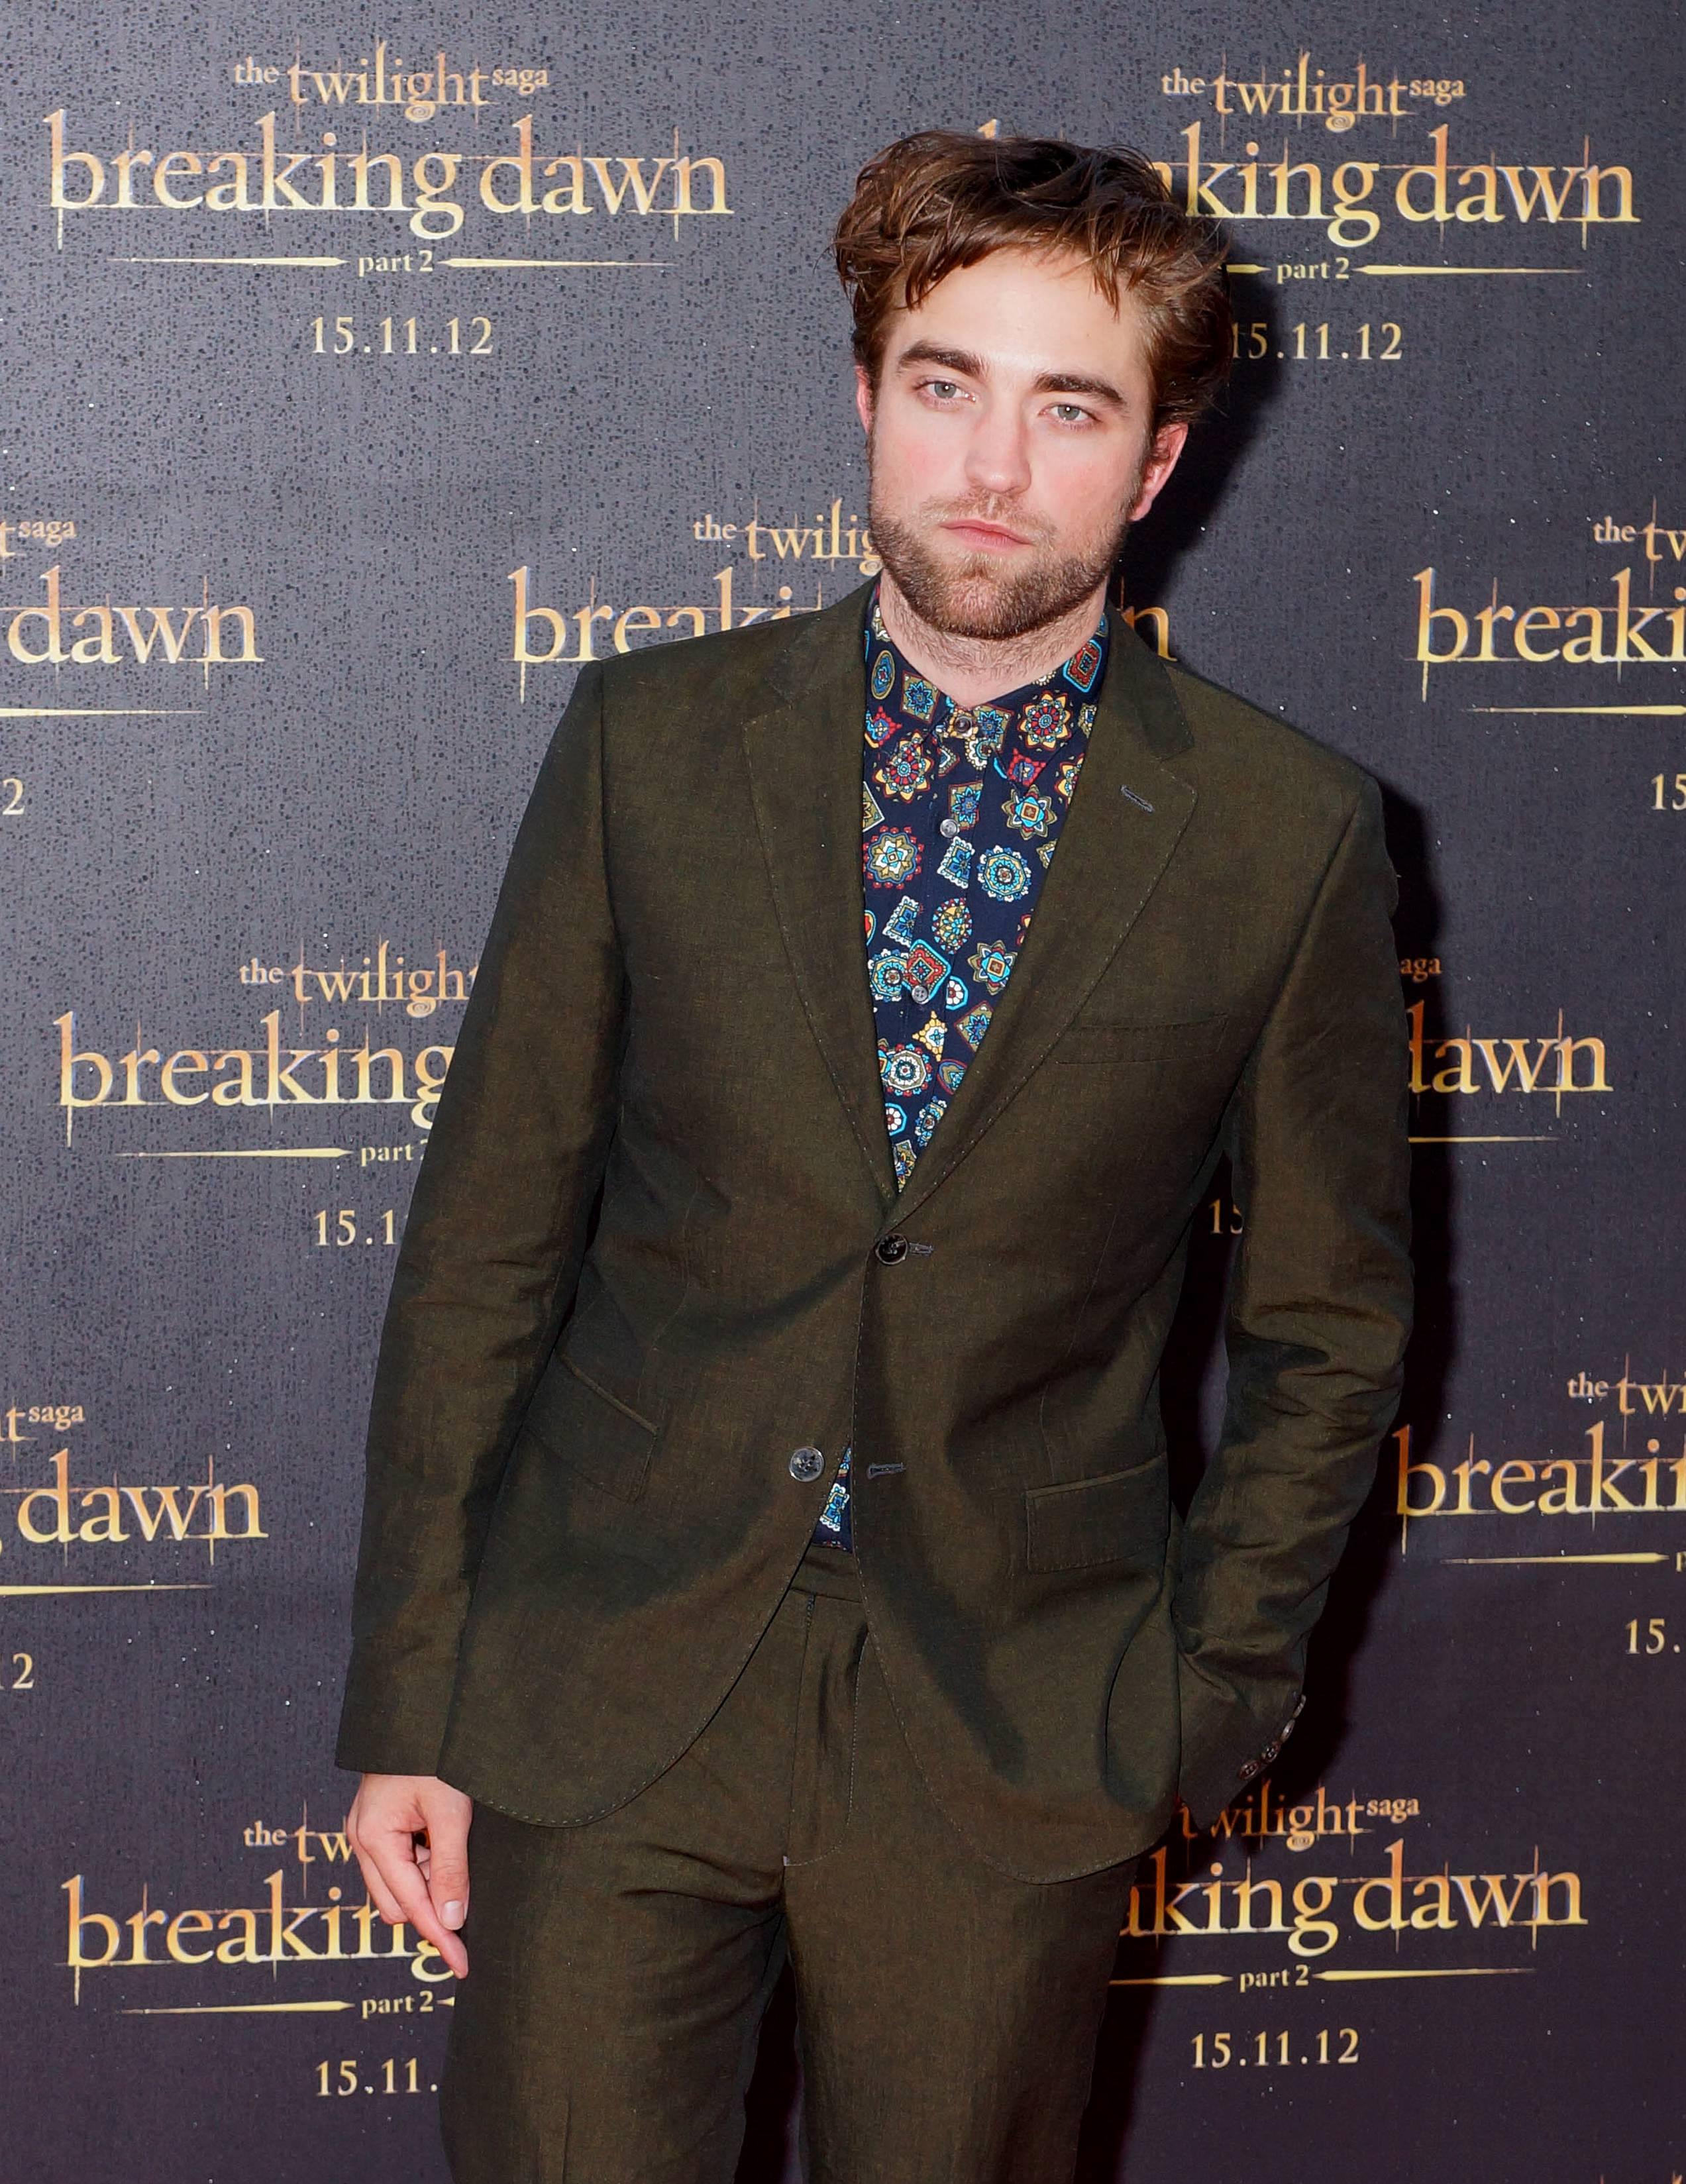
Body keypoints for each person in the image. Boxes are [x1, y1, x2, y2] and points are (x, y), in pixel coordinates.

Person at [337, 129, 1412, 2183]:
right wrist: (415, 1693)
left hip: (1009, 1713)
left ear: (1156, 461)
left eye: (1067, 407)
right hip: (608, 1675)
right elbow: (485, 1240)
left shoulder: (1286, 837)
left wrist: (1194, 1697)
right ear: (863, 396)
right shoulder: (650, 743)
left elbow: (1327, 1325)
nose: (991, 465)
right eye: (944, 383)